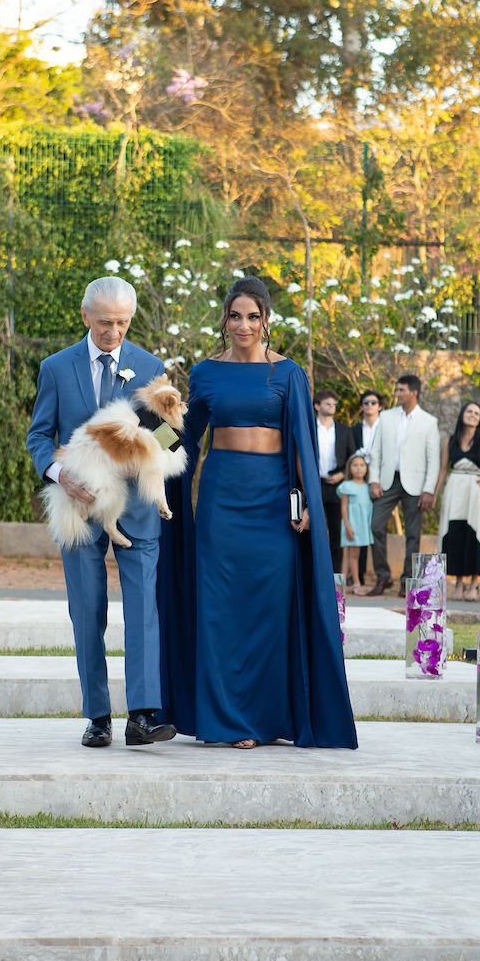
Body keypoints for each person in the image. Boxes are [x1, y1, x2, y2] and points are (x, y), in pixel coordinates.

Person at [158, 276, 357, 750]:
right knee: (221, 611)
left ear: (266, 321)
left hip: (272, 505)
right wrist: (149, 434)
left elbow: (303, 445)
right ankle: (230, 722)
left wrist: (306, 500)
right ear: (224, 320)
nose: (243, 324)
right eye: (235, 315)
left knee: (270, 608)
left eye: (252, 316)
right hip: (221, 501)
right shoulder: (205, 373)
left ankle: (270, 717)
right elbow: (184, 439)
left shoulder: (288, 373)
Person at [26, 275, 177, 749]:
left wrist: (151, 452)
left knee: (143, 611)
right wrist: (58, 473)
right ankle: (97, 717)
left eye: (123, 323)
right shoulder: (55, 368)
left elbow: (170, 436)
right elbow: (38, 436)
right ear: (86, 316)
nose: (114, 332)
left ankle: (143, 716)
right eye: (106, 322)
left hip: (136, 508)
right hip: (77, 506)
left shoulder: (150, 366)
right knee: (86, 612)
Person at [368, 375, 441, 598]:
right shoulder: (386, 417)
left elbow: (433, 459)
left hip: (416, 485)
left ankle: (406, 582)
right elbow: (376, 450)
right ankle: (383, 576)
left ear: (414, 392)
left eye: (401, 390)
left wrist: (429, 490)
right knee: (376, 526)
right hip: (388, 481)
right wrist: (374, 479)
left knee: (412, 534)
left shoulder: (429, 422)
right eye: (397, 389)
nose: (397, 393)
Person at [435, 402, 480, 601]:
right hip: (455, 487)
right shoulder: (449, 441)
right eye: (469, 411)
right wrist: (435, 495)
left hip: (476, 489)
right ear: (462, 414)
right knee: (455, 532)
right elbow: (443, 470)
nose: (473, 415)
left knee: (475, 532)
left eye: (477, 413)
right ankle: (459, 583)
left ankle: (474, 585)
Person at [314, 389, 354, 572]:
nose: (332, 406)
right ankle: (314, 571)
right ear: (317, 406)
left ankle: (335, 575)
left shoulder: (344, 430)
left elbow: (353, 458)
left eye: (334, 404)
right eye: (327, 403)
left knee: (336, 532)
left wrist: (342, 475)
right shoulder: (309, 429)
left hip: (337, 484)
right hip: (314, 484)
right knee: (313, 528)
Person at [351, 389, 383, 581]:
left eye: (373, 402)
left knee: (377, 527)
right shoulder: (354, 430)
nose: (369, 406)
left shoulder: (386, 428)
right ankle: (358, 575)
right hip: (359, 482)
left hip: (381, 482)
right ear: (362, 407)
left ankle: (381, 575)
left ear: (379, 406)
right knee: (358, 525)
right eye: (366, 403)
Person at [337, 453, 374, 594]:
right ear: (349, 468)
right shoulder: (347, 485)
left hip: (363, 525)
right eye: (355, 465)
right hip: (352, 525)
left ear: (367, 468)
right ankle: (357, 583)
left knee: (349, 555)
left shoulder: (368, 487)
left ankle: (342, 583)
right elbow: (343, 507)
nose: (359, 468)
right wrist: (347, 526)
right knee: (353, 555)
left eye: (362, 465)